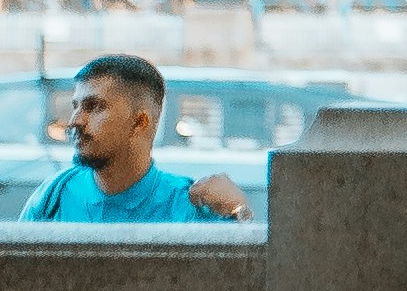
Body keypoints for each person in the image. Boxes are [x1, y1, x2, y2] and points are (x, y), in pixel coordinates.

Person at [23, 52, 250, 226]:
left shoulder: (188, 207)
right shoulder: (55, 195)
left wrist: (240, 212)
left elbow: (247, 277)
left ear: (139, 122)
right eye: (76, 106)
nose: (75, 121)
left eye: (94, 107)